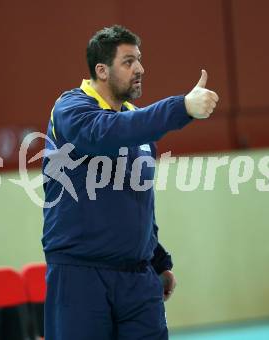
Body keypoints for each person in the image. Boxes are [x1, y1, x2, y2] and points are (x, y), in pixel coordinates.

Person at [42, 25, 219, 340]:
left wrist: (157, 259)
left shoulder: (137, 124)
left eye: (139, 59)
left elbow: (138, 201)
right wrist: (182, 108)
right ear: (102, 70)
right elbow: (107, 132)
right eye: (128, 61)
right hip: (81, 275)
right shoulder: (71, 110)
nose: (140, 68)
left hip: (137, 277)